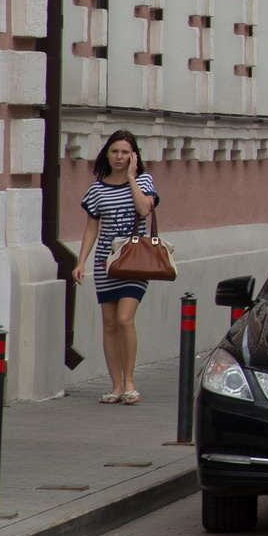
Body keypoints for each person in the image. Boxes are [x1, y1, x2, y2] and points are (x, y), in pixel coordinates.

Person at [75, 129, 161, 405]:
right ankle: (115, 386)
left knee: (125, 318)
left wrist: (132, 178)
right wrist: (81, 262)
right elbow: (92, 228)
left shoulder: (145, 180)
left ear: (133, 156)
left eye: (125, 152)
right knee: (110, 323)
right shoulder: (97, 190)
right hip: (105, 264)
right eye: (115, 151)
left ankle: (130, 383)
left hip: (136, 262)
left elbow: (145, 209)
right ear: (107, 155)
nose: (119, 157)